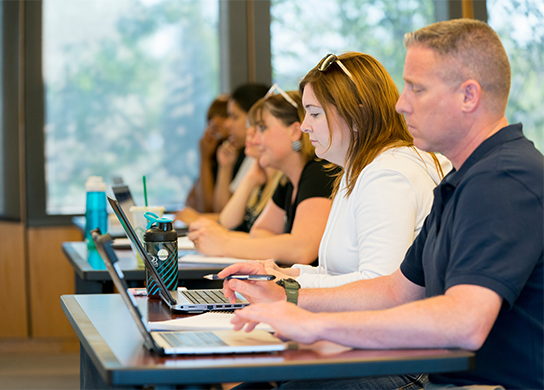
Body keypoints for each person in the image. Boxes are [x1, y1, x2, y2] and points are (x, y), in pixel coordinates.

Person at [220, 19, 543, 389]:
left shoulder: (503, 180)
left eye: (416, 89)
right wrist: (286, 292)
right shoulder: (463, 178)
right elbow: (395, 290)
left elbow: (466, 322)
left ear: (468, 96)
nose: (400, 104)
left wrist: (316, 321)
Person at [262, 52, 451, 288]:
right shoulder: (361, 168)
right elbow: (338, 273)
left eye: (315, 113)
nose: (304, 126)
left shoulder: (387, 175)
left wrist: (290, 285)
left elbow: (379, 286)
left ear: (357, 116)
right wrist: (280, 274)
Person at [189, 86, 341, 265]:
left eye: (262, 128)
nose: (255, 139)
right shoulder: (289, 180)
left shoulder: (318, 172)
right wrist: (284, 245)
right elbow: (260, 232)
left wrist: (225, 243)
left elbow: (302, 249)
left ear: (294, 131)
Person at [214, 83, 270, 213]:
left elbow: (228, 217)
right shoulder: (250, 156)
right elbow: (226, 212)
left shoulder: (263, 156)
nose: (227, 124)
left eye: (234, 116)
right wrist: (225, 167)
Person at [183, 95, 229, 214]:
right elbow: (190, 202)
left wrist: (204, 159)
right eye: (211, 117)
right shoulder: (214, 153)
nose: (214, 122)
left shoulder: (231, 158)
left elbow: (208, 208)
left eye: (223, 116)